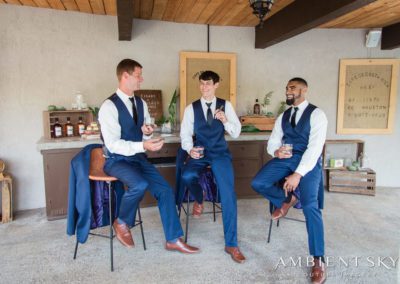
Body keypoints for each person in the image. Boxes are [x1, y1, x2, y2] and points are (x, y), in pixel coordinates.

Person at [98, 58, 199, 254]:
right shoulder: (108, 107)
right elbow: (113, 144)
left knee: (165, 191)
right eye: (138, 75)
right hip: (115, 160)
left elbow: (144, 131)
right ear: (125, 76)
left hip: (137, 159)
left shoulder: (141, 102)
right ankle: (121, 222)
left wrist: (147, 132)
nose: (141, 79)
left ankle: (173, 239)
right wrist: (143, 144)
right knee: (140, 184)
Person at [251, 78, 328, 283]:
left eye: (292, 88)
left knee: (311, 206)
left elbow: (315, 149)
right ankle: (287, 200)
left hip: (308, 163)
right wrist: (275, 151)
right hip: (286, 159)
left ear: (304, 90)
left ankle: (318, 260)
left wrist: (297, 174)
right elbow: (273, 142)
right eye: (286, 88)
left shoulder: (317, 114)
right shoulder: (283, 116)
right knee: (258, 183)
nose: (288, 91)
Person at [179, 70, 245, 263]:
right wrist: (190, 150)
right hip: (199, 152)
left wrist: (225, 120)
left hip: (220, 154)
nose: (204, 87)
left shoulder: (226, 105)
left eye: (208, 84)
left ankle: (231, 244)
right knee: (186, 176)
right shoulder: (191, 108)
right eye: (201, 83)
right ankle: (199, 198)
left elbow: (236, 133)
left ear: (216, 85)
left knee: (228, 195)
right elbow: (185, 134)